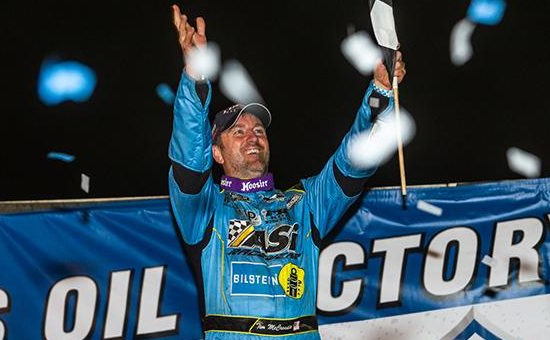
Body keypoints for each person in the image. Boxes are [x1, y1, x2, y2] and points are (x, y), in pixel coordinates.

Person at [168, 4, 406, 339]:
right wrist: (195, 77)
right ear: (216, 152)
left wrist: (379, 95)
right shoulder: (205, 208)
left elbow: (353, 163)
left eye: (259, 131)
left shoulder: (304, 203)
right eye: (238, 131)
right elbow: (189, 159)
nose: (252, 136)